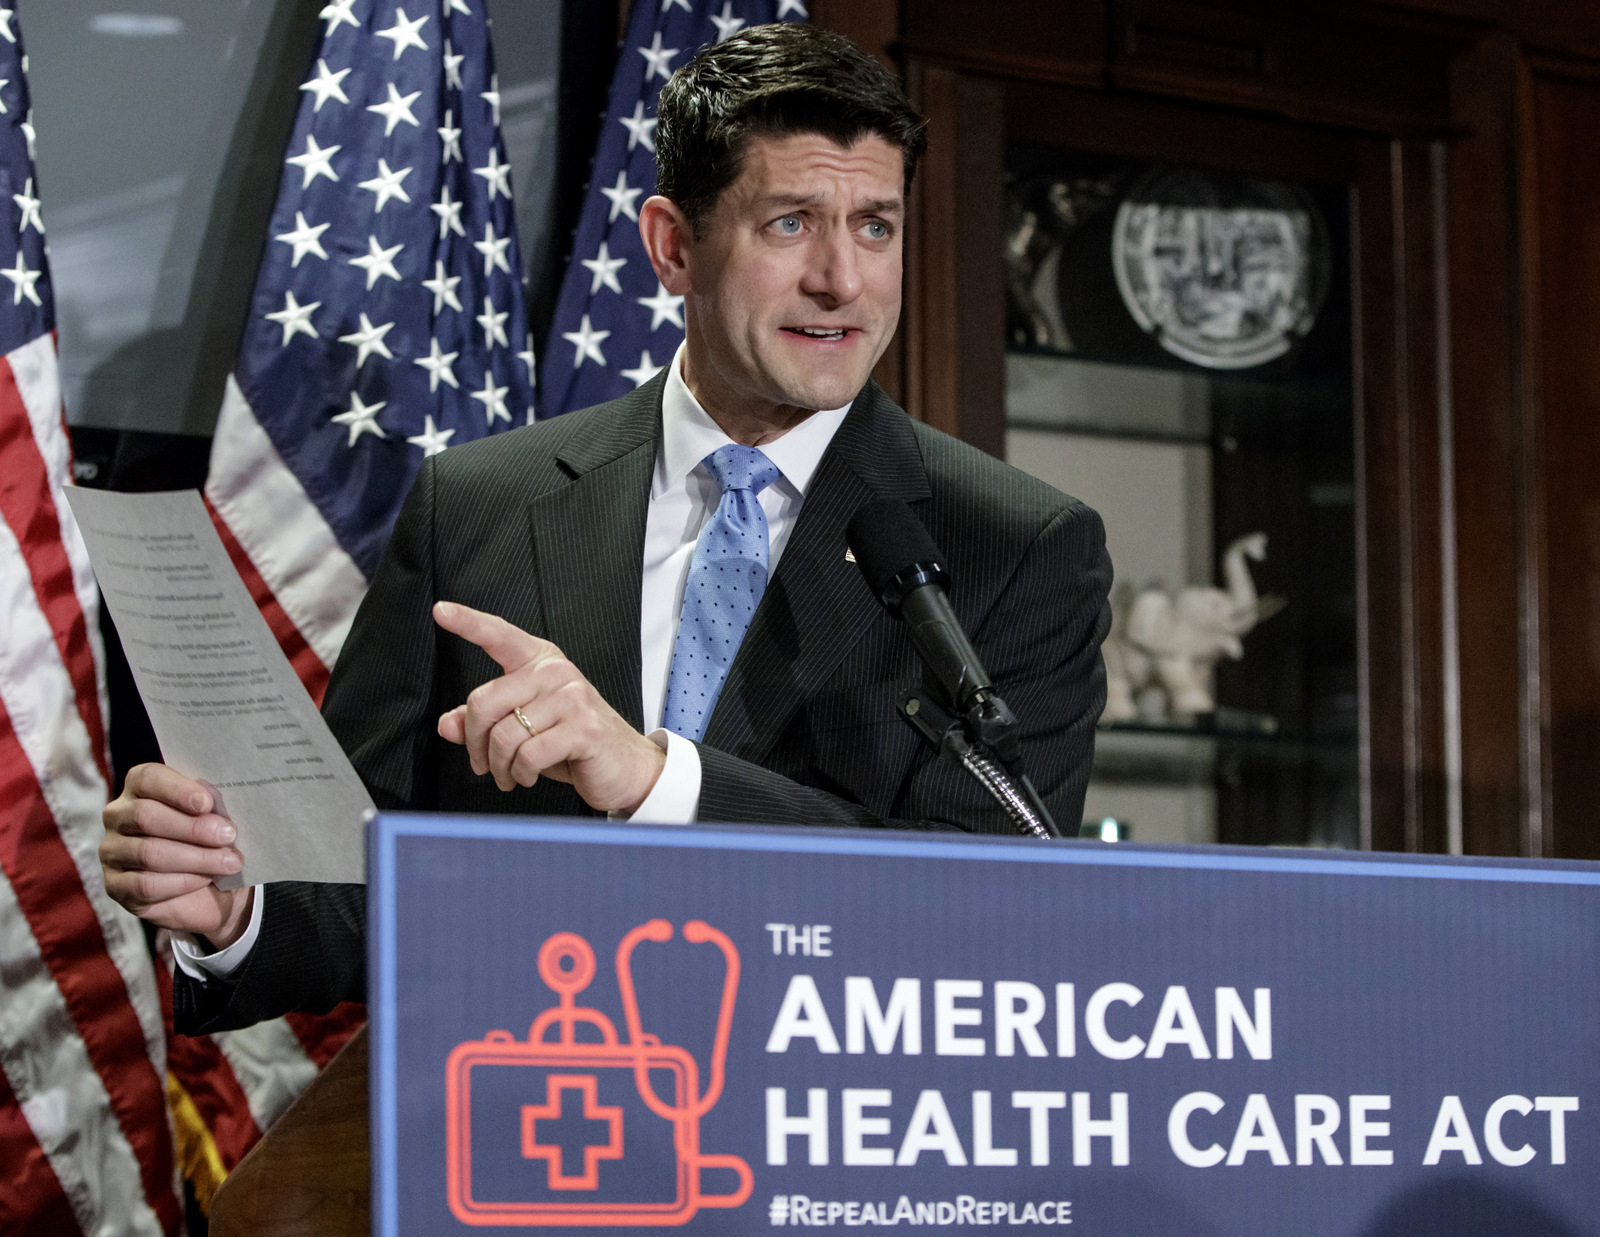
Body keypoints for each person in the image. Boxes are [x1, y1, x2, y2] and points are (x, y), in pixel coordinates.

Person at [99, 23, 1112, 1033]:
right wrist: (237, 911)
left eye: (876, 227)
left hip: (827, 1158)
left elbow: (987, 913)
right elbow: (368, 869)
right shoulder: (479, 504)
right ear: (673, 245)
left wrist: (654, 780)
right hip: (513, 1133)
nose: (842, 281)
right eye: (792, 224)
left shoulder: (1017, 547)